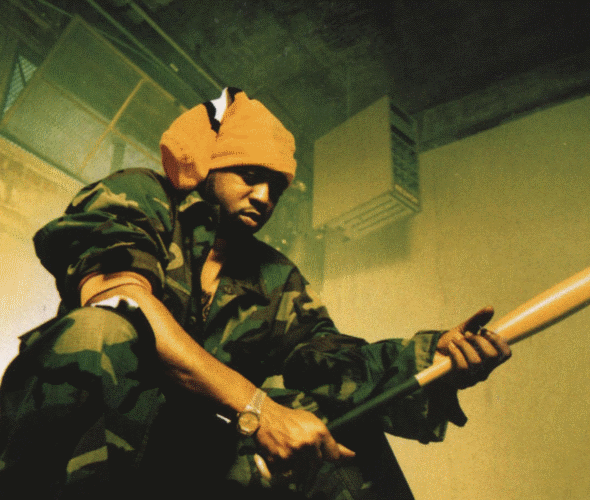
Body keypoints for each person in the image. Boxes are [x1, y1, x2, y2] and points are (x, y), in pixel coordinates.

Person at [0, 87, 511, 499]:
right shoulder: (142, 196)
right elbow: (121, 301)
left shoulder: (274, 276)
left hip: (195, 458)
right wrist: (258, 409)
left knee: (329, 425)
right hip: (109, 441)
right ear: (209, 168)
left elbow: (329, 361)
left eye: (276, 187)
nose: (264, 197)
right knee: (98, 332)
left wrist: (429, 359)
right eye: (249, 176)